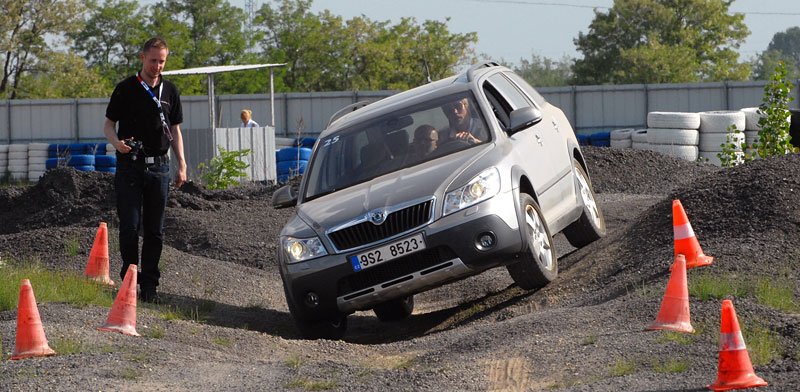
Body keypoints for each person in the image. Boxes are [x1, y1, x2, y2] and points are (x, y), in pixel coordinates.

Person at [103, 37, 187, 303]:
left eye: (162, 61)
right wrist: (117, 143)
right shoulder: (126, 88)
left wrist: (182, 163)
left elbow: (175, 129)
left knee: (155, 230)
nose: (157, 66)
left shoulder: (170, 91)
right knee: (130, 226)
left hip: (160, 167)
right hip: (130, 166)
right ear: (142, 58)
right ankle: (130, 279)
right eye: (153, 60)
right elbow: (108, 124)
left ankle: (149, 285)